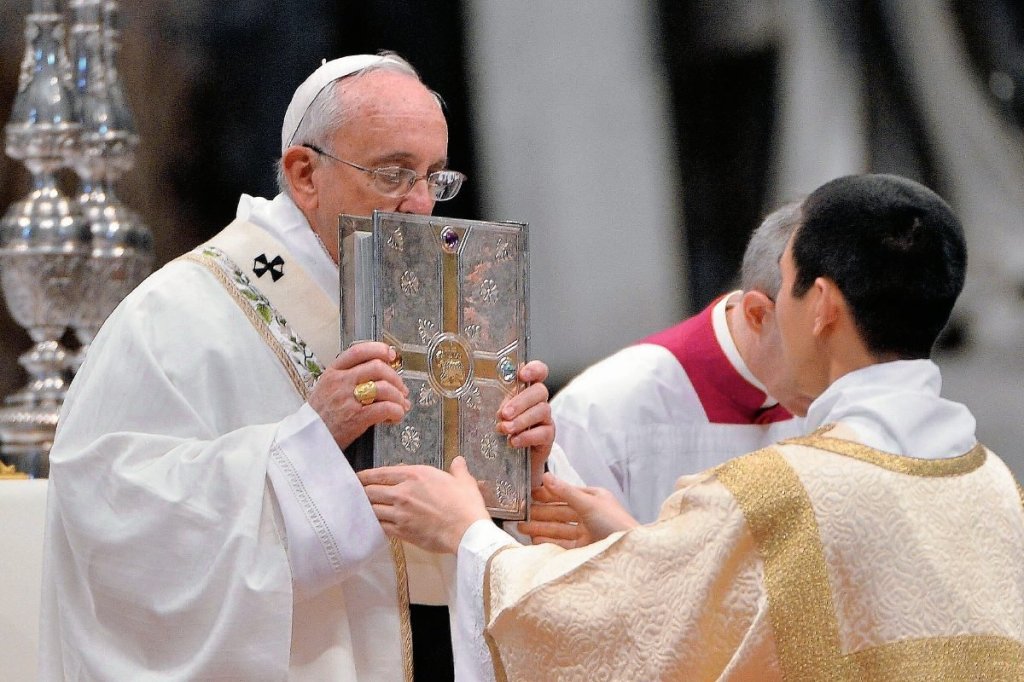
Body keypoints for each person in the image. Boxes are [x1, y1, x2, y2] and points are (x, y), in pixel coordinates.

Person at [360, 174, 1024, 680]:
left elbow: (615, 635)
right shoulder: (995, 487)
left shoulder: (779, 494)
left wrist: (469, 536)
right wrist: (631, 541)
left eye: (786, 281)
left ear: (821, 305)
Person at [39, 52, 555, 681]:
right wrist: (308, 445)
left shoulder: (442, 308)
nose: (421, 205)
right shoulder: (176, 315)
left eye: (434, 177)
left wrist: (515, 467)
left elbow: (462, 543)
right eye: (393, 174)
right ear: (305, 174)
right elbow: (110, 521)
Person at [540, 201, 810, 529]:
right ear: (757, 315)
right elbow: (568, 558)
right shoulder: (598, 411)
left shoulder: (850, 402)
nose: (841, 370)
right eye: (820, 338)